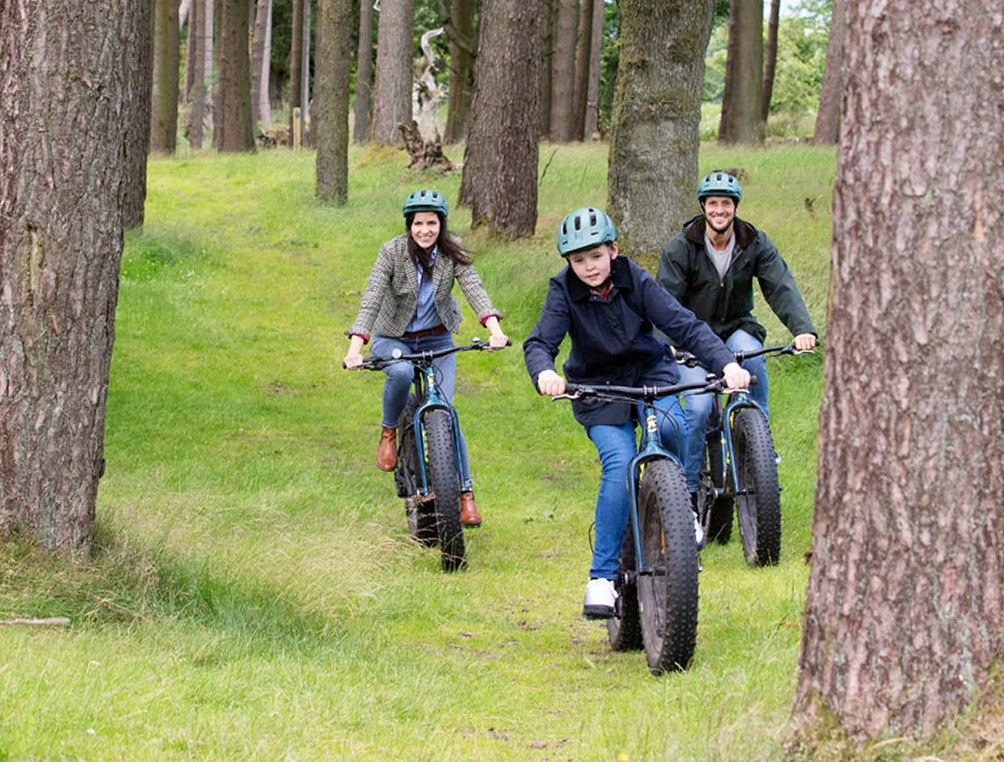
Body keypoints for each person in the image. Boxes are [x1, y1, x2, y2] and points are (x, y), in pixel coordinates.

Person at [524, 207, 749, 619]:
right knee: (621, 463)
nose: (588, 267)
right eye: (578, 261)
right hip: (598, 389)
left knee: (674, 427)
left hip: (651, 374)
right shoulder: (562, 292)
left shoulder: (635, 279)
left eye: (595, 256)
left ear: (613, 249)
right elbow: (540, 342)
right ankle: (602, 578)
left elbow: (684, 326)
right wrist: (545, 373)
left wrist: (726, 364)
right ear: (568, 263)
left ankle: (685, 511)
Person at [343, 189, 509, 527]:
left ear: (441, 225)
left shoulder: (452, 251)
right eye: (418, 223)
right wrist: (355, 349)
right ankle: (389, 432)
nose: (425, 230)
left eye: (431, 223)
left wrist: (494, 330)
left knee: (445, 412)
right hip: (394, 339)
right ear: (409, 225)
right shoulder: (391, 252)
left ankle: (465, 494)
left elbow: (474, 288)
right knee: (402, 374)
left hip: (437, 338)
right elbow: (372, 297)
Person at [659, 171, 818, 490]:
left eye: (726, 204)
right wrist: (668, 343)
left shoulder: (753, 241)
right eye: (713, 203)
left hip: (735, 328)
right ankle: (687, 489)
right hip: (690, 339)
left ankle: (760, 443)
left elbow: (780, 286)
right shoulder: (681, 247)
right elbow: (665, 301)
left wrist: (802, 329)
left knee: (754, 359)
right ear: (703, 206)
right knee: (700, 408)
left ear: (736, 206)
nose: (720, 210)